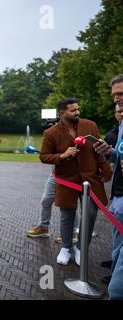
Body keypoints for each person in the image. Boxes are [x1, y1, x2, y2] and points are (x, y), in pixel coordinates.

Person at [40, 98, 112, 266]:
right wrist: (62, 156)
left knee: (91, 214)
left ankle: (81, 248)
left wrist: (105, 167)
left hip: (90, 180)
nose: (77, 112)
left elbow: (98, 150)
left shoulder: (90, 126)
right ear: (62, 113)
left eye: (78, 109)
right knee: (67, 216)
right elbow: (43, 156)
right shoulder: (51, 133)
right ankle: (66, 248)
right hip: (67, 180)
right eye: (72, 110)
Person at [93, 74, 123, 300]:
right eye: (114, 97)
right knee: (116, 247)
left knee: (116, 291)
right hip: (119, 196)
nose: (117, 101)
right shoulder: (122, 126)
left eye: (121, 94)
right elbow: (119, 157)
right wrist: (110, 152)